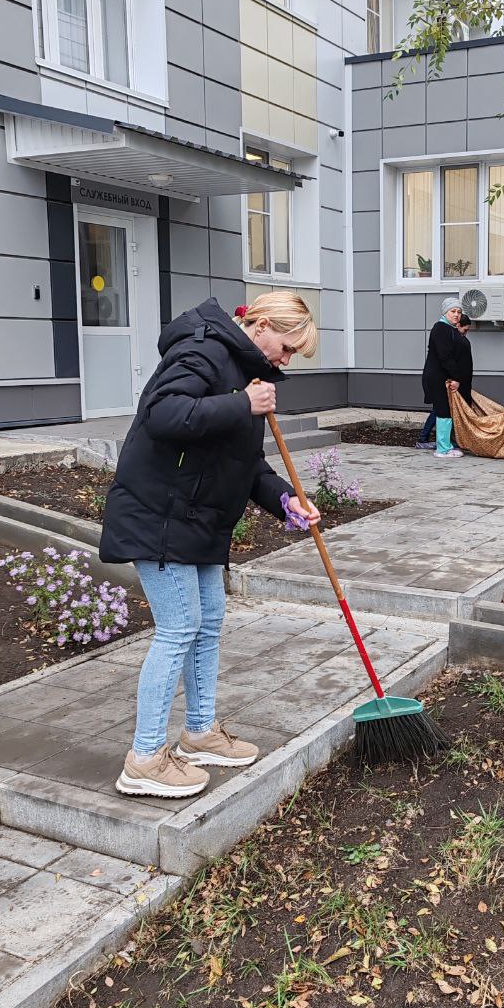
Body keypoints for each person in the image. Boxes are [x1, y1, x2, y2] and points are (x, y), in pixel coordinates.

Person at [100, 293, 321, 798]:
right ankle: (145, 758)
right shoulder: (202, 351)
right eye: (286, 348)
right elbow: (165, 414)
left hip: (197, 520)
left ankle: (199, 734)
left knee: (208, 623)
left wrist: (285, 500)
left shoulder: (244, 368)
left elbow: (243, 464)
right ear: (260, 324)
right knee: (178, 628)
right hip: (160, 515)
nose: (286, 361)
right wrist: (242, 402)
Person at [421, 297, 471, 458]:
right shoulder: (441, 328)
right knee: (443, 411)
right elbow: (445, 356)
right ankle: (442, 449)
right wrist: (455, 377)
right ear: (445, 312)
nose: (456, 314)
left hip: (443, 377)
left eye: (459, 311)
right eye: (453, 311)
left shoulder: (449, 328)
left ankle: (446, 446)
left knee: (445, 411)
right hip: (438, 377)